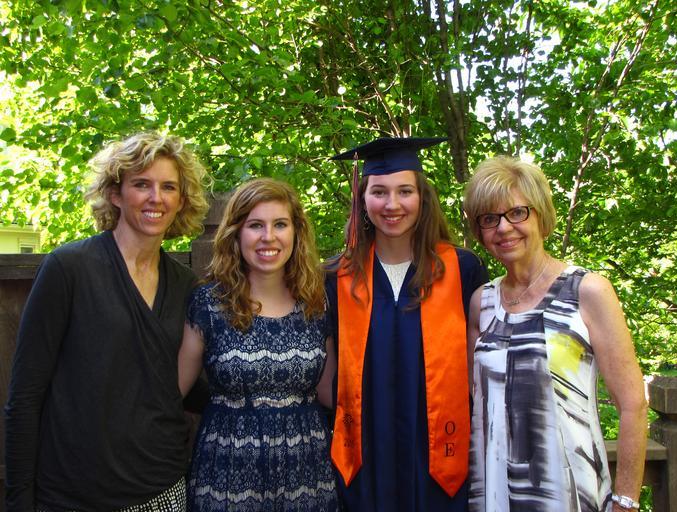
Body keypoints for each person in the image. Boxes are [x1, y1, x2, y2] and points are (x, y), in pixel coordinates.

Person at [4, 132, 210, 510]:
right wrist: (19, 499)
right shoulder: (69, 268)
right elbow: (25, 396)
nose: (156, 197)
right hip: (73, 494)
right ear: (115, 194)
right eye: (141, 184)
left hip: (162, 488)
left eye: (168, 187)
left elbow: (183, 386)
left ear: (181, 200)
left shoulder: (186, 285)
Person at [463, 156, 648, 512]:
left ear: (542, 217)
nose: (504, 227)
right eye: (489, 219)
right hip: (494, 493)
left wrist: (625, 501)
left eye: (517, 212)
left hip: (571, 492)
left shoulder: (587, 291)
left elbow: (632, 404)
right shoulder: (481, 303)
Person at [326, 137, 489, 511]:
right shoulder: (338, 277)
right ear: (362, 199)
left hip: (442, 459)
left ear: (422, 198)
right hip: (366, 461)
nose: (392, 204)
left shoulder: (462, 270)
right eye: (379, 192)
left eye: (405, 191)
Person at [178, 177, 339, 511]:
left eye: (280, 224)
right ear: (236, 233)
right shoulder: (209, 303)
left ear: (296, 232)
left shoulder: (317, 302)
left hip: (307, 469)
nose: (269, 236)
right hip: (227, 470)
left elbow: (330, 392)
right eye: (255, 225)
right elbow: (173, 392)